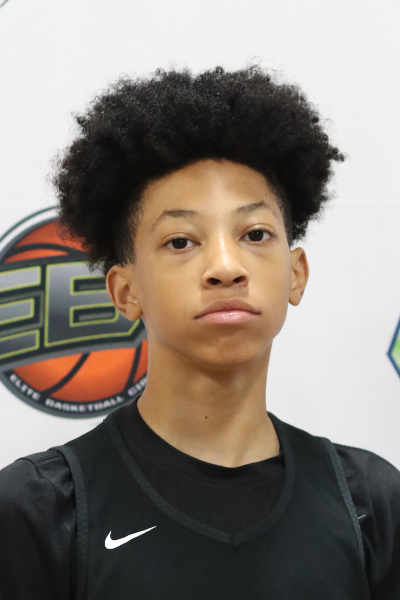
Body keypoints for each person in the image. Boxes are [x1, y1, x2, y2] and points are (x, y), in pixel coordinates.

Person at [0, 66, 399, 600]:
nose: (226, 266)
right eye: (181, 242)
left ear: (296, 273)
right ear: (125, 291)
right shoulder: (42, 509)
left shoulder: (370, 502)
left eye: (255, 233)